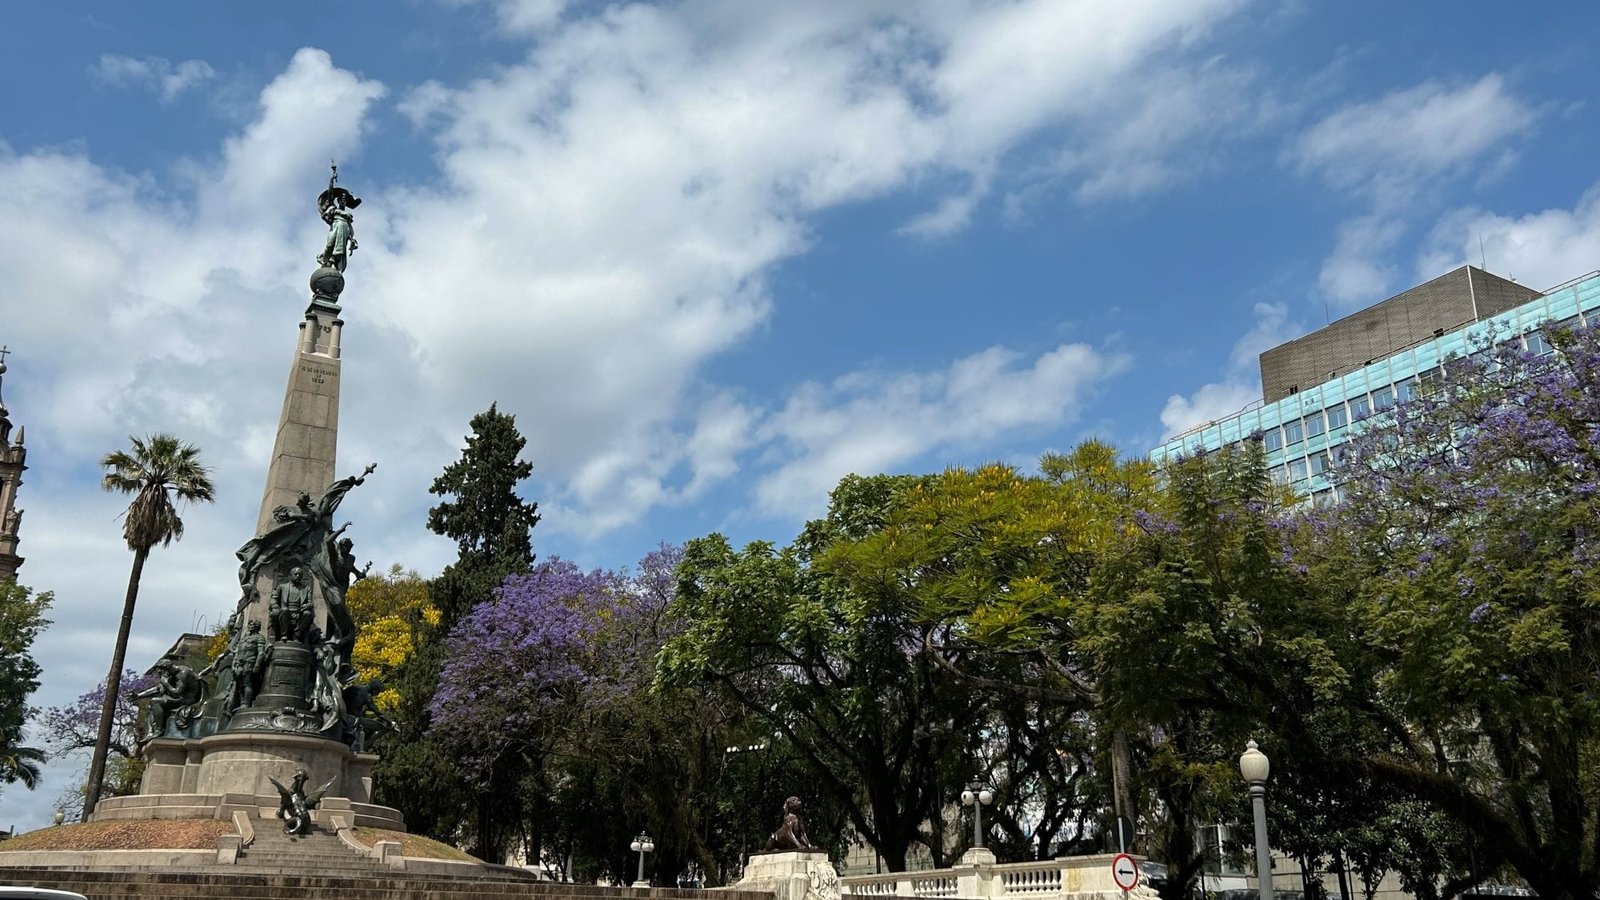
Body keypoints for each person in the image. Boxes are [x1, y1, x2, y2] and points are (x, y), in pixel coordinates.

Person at [231, 621, 270, 710]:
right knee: (240, 685)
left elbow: (261, 653)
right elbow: (237, 652)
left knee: (247, 684)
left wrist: (257, 665)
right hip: (239, 664)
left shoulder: (259, 638)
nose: (250, 626)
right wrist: (234, 663)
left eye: (252, 625)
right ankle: (242, 703)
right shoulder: (244, 638)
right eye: (249, 625)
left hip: (249, 662)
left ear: (257, 627)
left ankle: (247, 704)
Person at [270, 567, 314, 643]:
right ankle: (284, 634)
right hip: (285, 611)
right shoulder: (282, 587)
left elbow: (310, 603)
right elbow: (273, 599)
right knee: (284, 610)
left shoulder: (306, 589)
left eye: (300, 574)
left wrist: (308, 605)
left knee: (308, 614)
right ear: (290, 575)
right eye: (295, 574)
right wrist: (275, 606)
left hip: (299, 612)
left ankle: (296, 634)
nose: (298, 576)